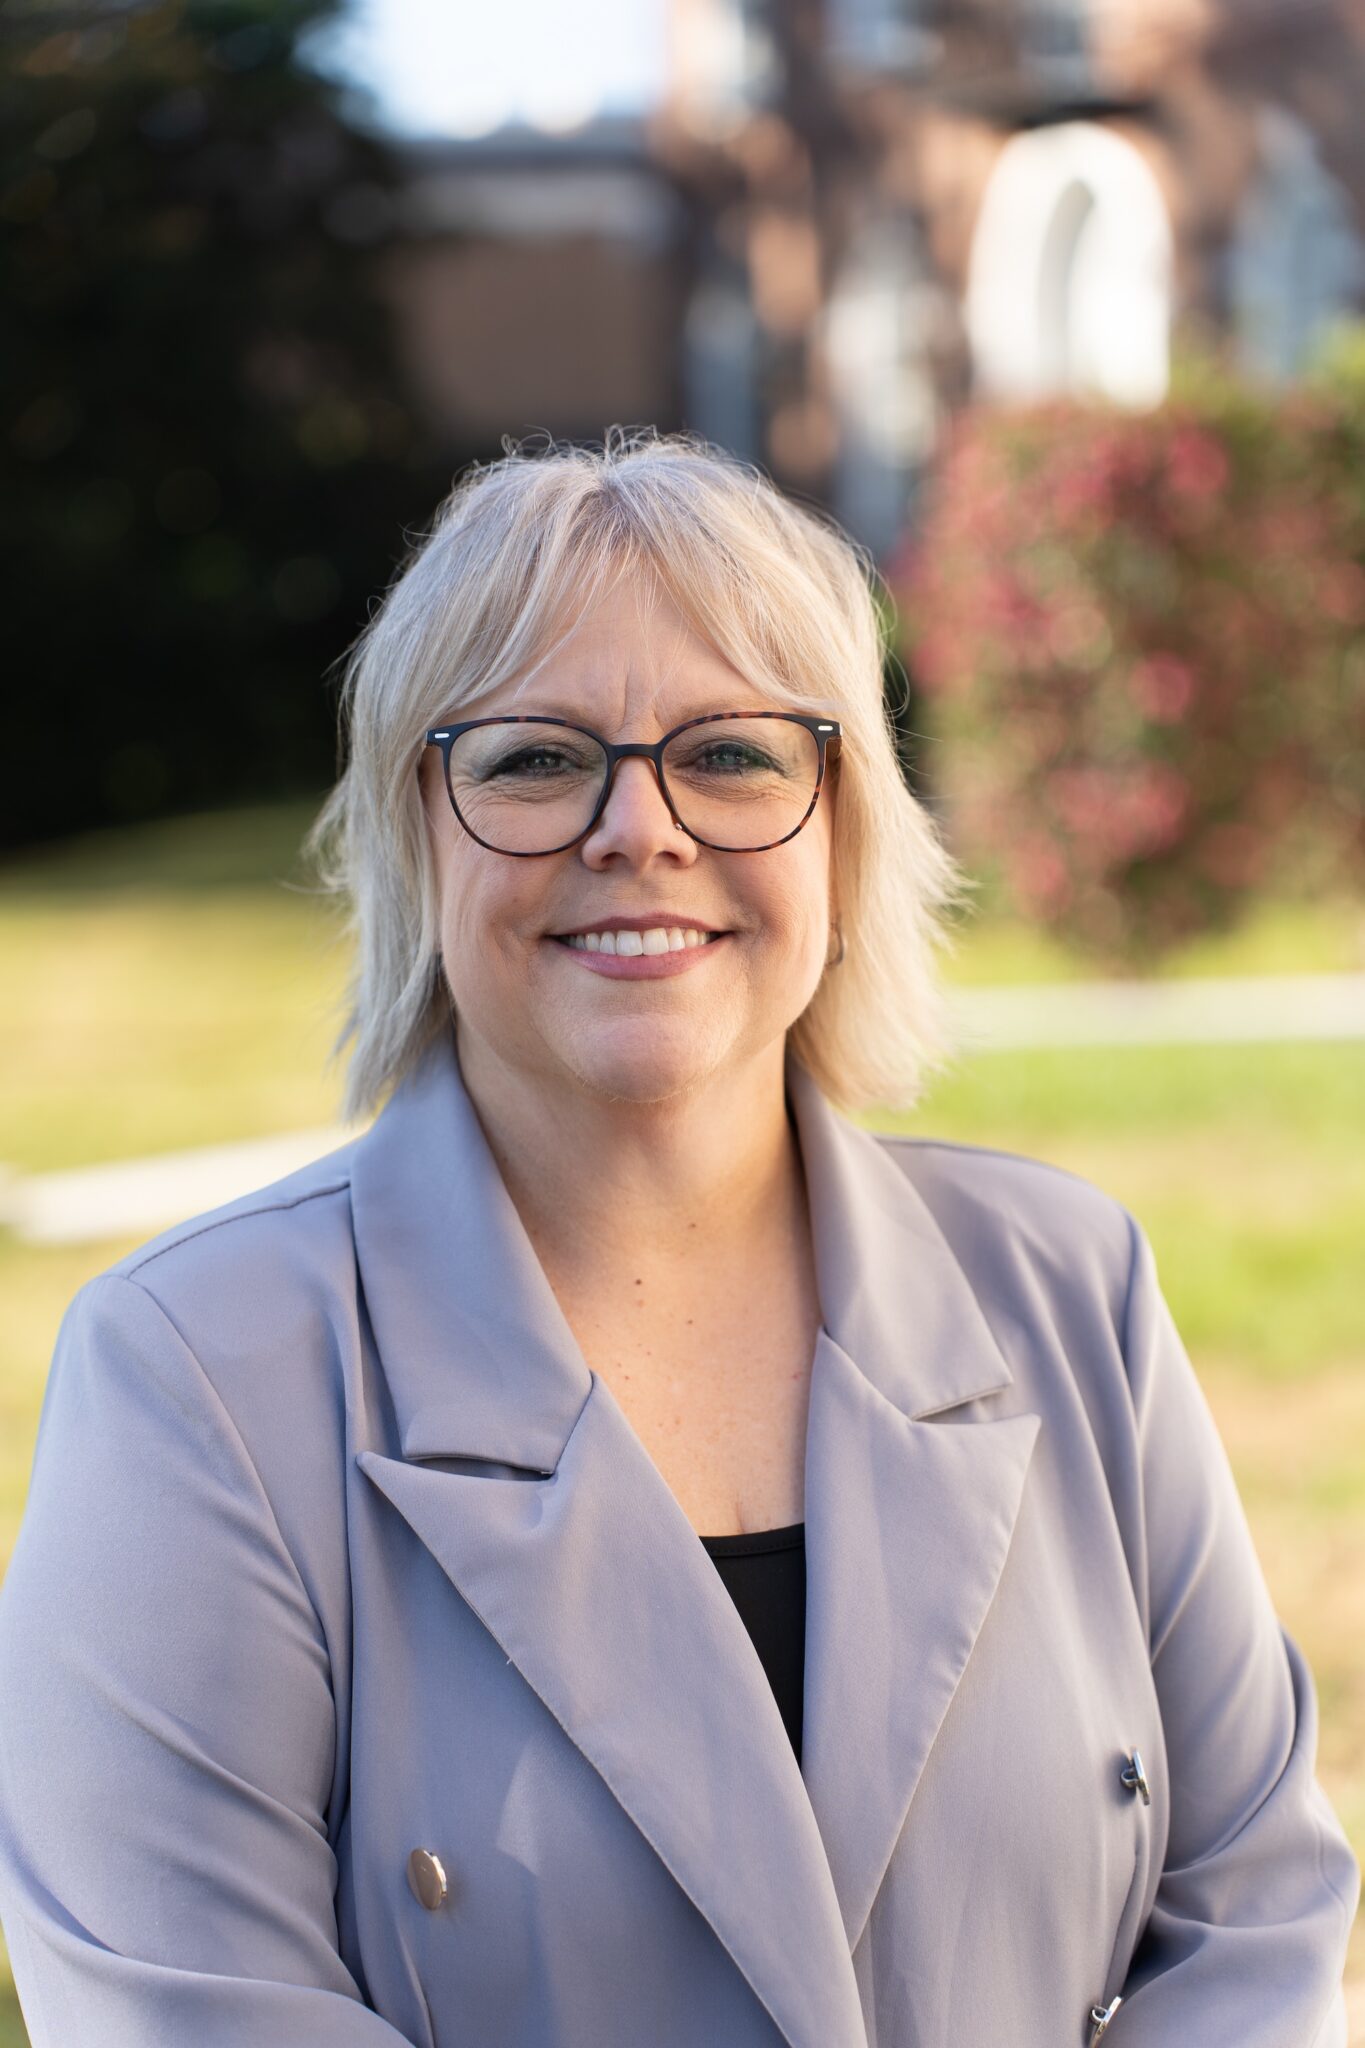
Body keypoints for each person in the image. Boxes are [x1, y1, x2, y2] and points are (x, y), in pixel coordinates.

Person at [0, 428, 1356, 2048]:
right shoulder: (197, 1377)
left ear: (845, 827)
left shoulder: (1069, 1286)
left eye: (729, 753)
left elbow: (1256, 1917)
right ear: (412, 836)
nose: (636, 827)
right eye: (530, 758)